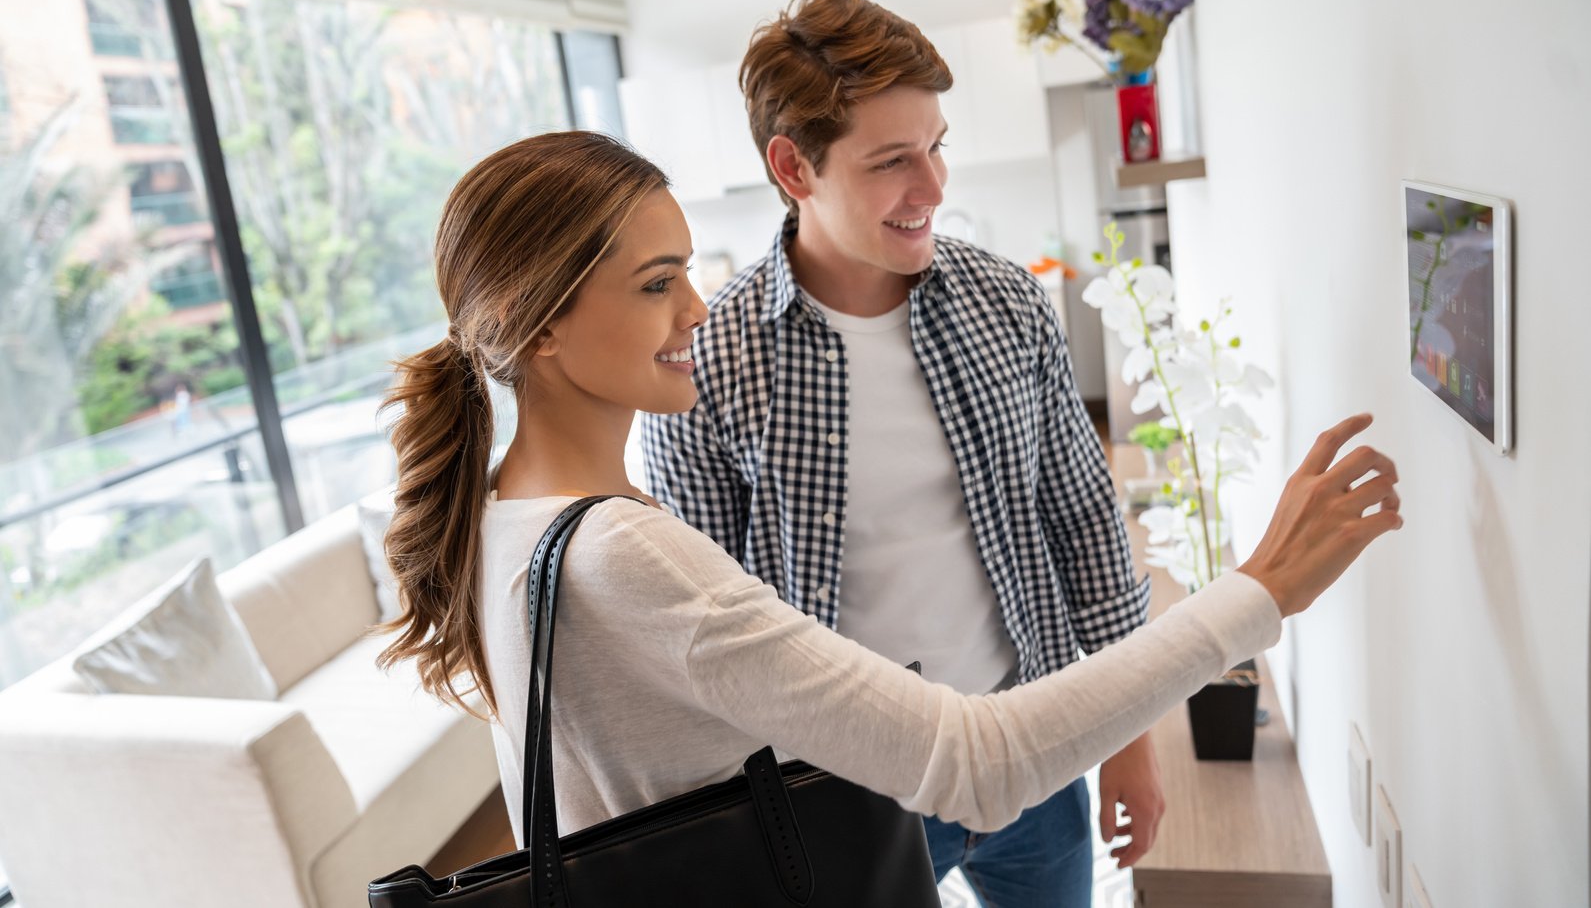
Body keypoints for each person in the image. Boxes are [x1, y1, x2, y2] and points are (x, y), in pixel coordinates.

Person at [376, 131, 1402, 874]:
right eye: (656, 283)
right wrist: (1257, 589)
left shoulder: (502, 515)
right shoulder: (628, 555)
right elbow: (975, 759)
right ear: (535, 327)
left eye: (686, 271)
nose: (695, 308)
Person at [639, 0, 1160, 901]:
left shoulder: (1006, 300)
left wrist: (1129, 739)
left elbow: (1083, 519)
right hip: (841, 789)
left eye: (936, 147)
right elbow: (705, 638)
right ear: (794, 167)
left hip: (1026, 742)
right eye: (891, 161)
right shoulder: (709, 364)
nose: (933, 188)